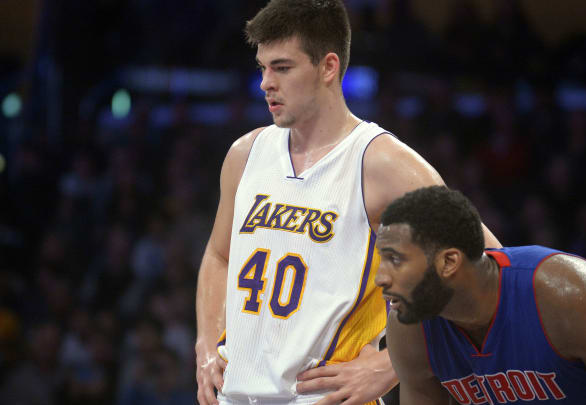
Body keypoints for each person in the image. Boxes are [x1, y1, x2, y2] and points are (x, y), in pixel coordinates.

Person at [193, 1, 502, 405]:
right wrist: (206, 343)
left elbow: (489, 266)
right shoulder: (244, 154)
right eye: (262, 67)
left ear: (328, 67)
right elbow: (219, 255)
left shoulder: (382, 164)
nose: (266, 82)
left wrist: (393, 363)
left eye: (282, 68)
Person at [375, 186, 586, 405]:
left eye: (396, 260)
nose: (380, 278)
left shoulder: (567, 292)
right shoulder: (409, 327)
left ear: (449, 262)